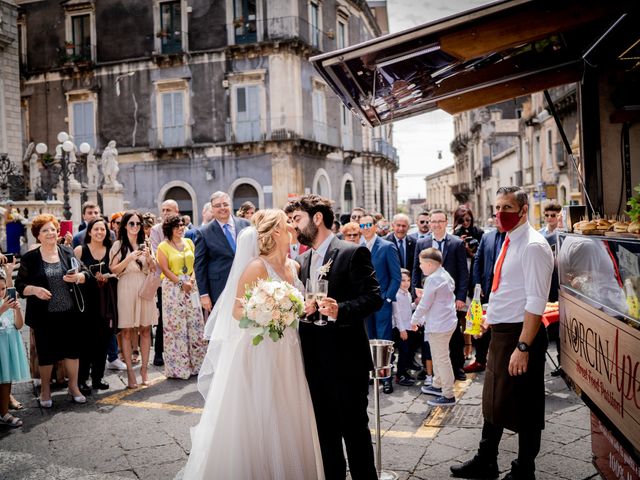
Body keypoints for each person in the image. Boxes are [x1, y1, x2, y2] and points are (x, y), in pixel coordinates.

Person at [184, 209, 324, 479]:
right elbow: (236, 311)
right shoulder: (256, 267)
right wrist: (273, 313)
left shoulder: (294, 266)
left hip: (290, 349)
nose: (292, 226)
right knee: (264, 411)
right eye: (287, 223)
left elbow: (299, 306)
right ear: (276, 231)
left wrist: (301, 309)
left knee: (290, 406)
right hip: (262, 350)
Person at [450, 187, 553, 480]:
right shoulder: (508, 240)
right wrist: (489, 319)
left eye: (507, 207)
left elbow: (535, 301)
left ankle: (524, 471)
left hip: (521, 335)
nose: (499, 213)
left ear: (523, 210)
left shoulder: (533, 246)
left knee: (526, 407)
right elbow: (506, 289)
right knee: (493, 401)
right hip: (501, 332)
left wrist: (523, 347)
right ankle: (486, 460)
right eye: (497, 207)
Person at [291, 194, 383, 480]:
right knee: (325, 436)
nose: (294, 226)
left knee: (354, 434)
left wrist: (339, 310)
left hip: (346, 361)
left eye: (298, 219)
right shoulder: (302, 260)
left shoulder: (351, 252)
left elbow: (373, 298)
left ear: (317, 218)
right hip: (314, 363)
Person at [15, 214, 89, 406]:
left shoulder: (66, 251)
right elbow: (20, 285)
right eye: (45, 230)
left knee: (72, 352)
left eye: (53, 229)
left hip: (69, 312)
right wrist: (35, 290)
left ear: (58, 232)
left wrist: (79, 277)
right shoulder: (30, 258)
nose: (50, 233)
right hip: (43, 316)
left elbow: (86, 273)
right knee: (46, 353)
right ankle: (45, 390)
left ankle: (73, 387)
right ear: (37, 235)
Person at [413, 209, 469, 381]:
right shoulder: (421, 243)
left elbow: (463, 272)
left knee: (453, 334)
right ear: (429, 223)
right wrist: (415, 290)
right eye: (433, 221)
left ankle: (457, 367)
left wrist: (460, 297)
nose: (436, 224)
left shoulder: (456, 243)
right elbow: (416, 268)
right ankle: (430, 370)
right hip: (428, 296)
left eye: (440, 221)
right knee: (430, 334)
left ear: (446, 223)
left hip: (449, 299)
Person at [109, 211, 158, 389]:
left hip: (144, 287)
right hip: (126, 287)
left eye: (138, 224)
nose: (135, 227)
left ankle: (144, 371)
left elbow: (153, 269)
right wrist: (129, 257)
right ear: (125, 226)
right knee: (127, 331)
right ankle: (130, 373)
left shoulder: (146, 244)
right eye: (131, 224)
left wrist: (150, 258)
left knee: (146, 330)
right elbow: (114, 270)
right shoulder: (118, 245)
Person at [156, 214, 206, 379]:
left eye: (182, 225)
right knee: (176, 327)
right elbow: (165, 269)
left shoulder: (189, 242)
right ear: (169, 229)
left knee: (195, 324)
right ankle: (178, 368)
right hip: (173, 288)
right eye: (176, 226)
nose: (180, 228)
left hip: (191, 286)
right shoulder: (163, 246)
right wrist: (180, 284)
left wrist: (191, 280)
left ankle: (197, 364)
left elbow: (195, 264)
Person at [360, 213, 401, 394]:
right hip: (364, 303)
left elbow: (396, 276)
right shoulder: (357, 247)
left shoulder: (386, 246)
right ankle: (372, 374)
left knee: (384, 340)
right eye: (362, 226)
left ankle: (386, 378)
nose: (366, 228)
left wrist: (389, 298)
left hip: (382, 302)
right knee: (368, 339)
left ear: (375, 226)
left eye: (369, 224)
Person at [412, 248, 458, 407]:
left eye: (421, 263)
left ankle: (448, 394)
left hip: (439, 325)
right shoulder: (444, 274)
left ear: (430, 264)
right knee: (440, 356)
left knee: (441, 358)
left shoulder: (433, 279)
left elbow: (425, 304)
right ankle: (438, 385)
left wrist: (414, 319)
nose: (420, 266)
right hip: (446, 322)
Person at [74, 218, 113, 394]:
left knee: (103, 340)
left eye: (103, 229)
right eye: (96, 229)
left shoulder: (111, 250)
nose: (99, 232)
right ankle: (82, 380)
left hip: (106, 301)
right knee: (85, 343)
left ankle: (98, 377)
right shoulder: (80, 250)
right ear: (89, 231)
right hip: (85, 302)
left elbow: (116, 271)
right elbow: (73, 275)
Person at [194, 191, 251, 311]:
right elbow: (200, 266)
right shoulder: (203, 232)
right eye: (217, 205)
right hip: (219, 290)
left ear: (231, 205)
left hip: (247, 285)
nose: (222, 208)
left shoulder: (246, 225)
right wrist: (204, 295)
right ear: (212, 209)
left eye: (225, 204)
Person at [465, 226, 506, 374]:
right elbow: (477, 259)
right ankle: (480, 360)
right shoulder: (487, 237)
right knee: (480, 325)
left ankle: (500, 362)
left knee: (501, 326)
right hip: (485, 290)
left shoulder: (513, 237)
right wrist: (477, 284)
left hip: (505, 292)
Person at [150, 200, 179, 367]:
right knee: (163, 317)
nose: (165, 212)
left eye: (169, 209)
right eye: (163, 210)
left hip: (183, 281)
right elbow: (156, 254)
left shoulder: (184, 229)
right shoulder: (156, 230)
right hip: (164, 282)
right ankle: (159, 352)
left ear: (177, 211)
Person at [0, 271, 30, 427]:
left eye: (3, 288)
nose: (1, 292)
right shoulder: (4, 305)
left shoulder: (8, 302)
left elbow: (18, 325)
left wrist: (17, 310)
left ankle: (4, 412)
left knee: (6, 380)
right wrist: (2, 309)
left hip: (8, 346)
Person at [392, 269, 415, 387]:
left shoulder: (407, 293)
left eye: (408, 280)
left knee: (407, 352)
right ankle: (399, 376)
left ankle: (404, 372)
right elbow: (397, 314)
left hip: (408, 326)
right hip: (400, 328)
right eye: (403, 280)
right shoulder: (396, 295)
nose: (406, 283)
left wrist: (416, 303)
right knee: (403, 351)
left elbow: (408, 309)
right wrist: (402, 330)